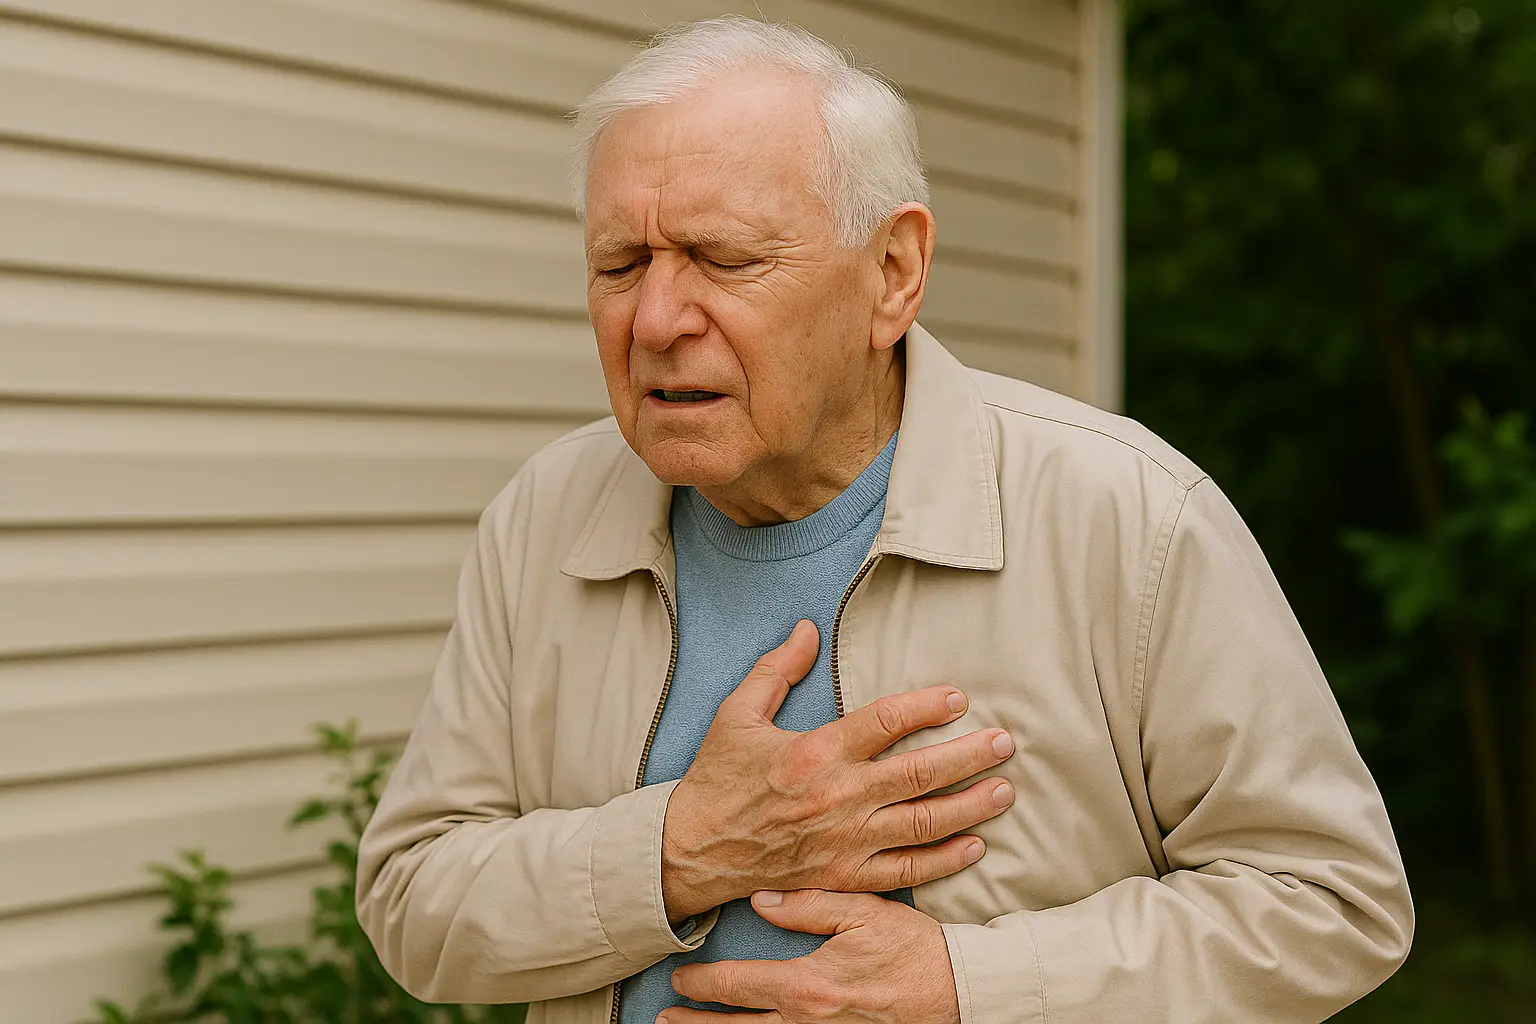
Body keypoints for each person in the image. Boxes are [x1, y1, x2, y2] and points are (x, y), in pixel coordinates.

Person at [356, 16, 1412, 1024]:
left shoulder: (1125, 517)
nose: (657, 321)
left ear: (894, 274)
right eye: (619, 266)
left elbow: (1332, 901)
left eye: (724, 260)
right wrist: (685, 846)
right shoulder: (542, 518)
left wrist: (967, 988)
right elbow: (413, 902)